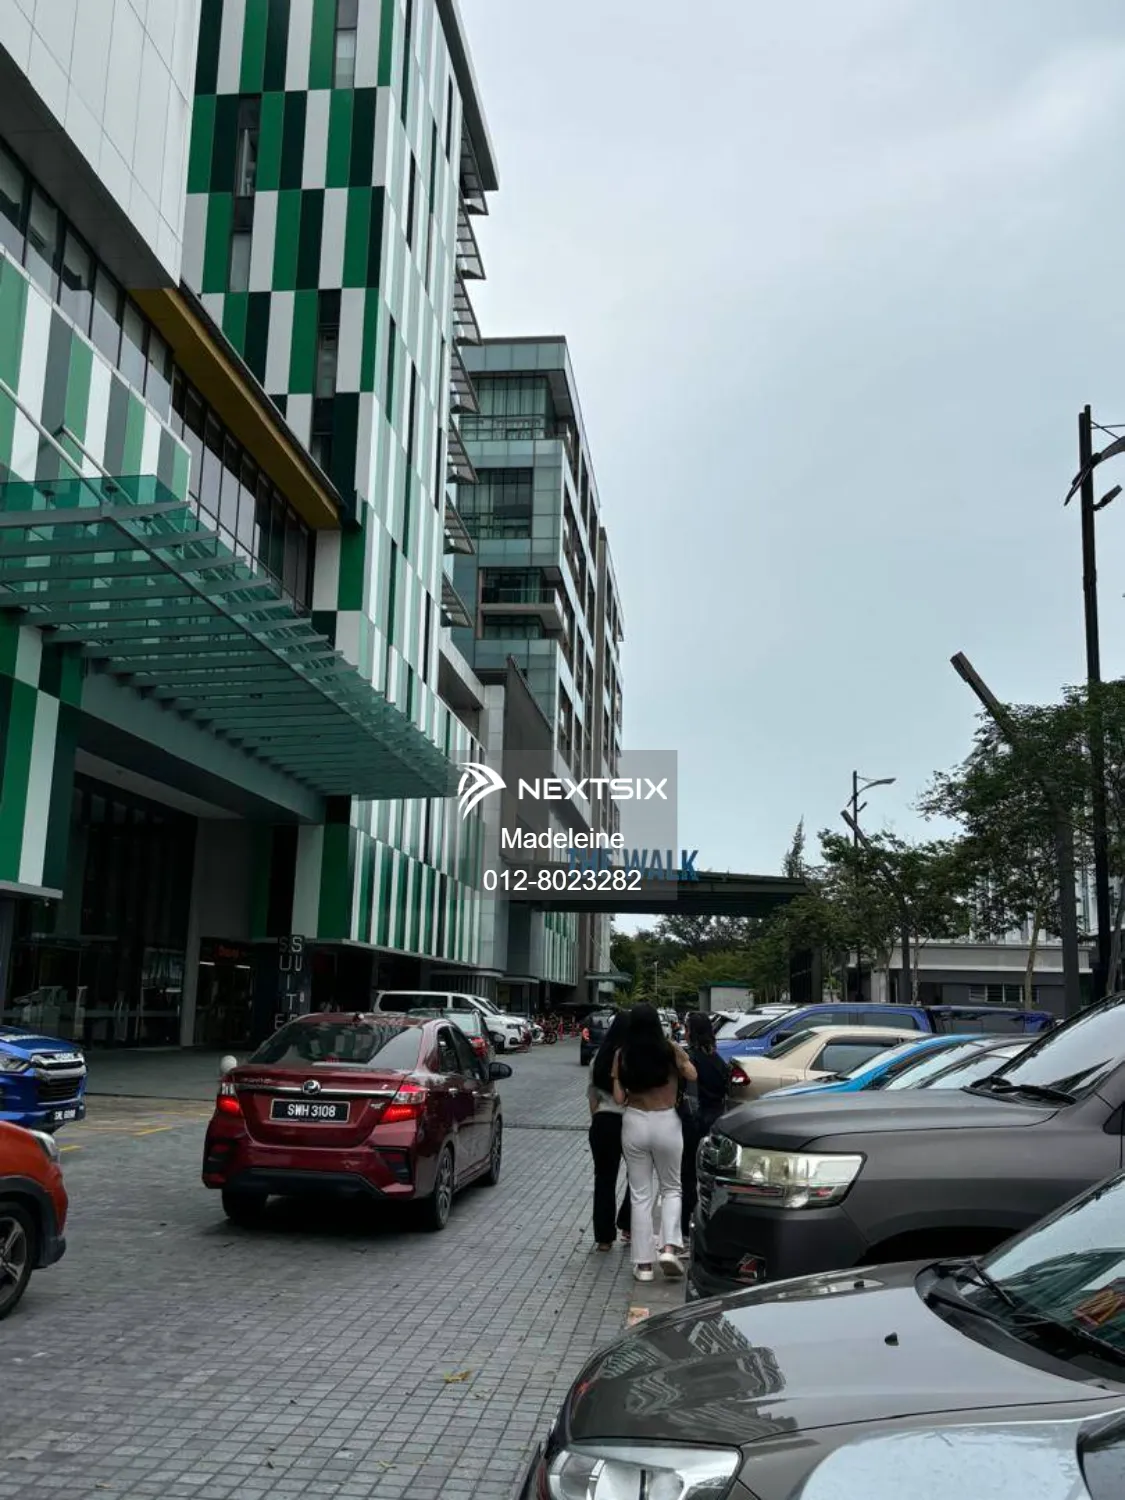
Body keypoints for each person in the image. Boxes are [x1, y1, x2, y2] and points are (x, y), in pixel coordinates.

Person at [612, 1002, 697, 1282]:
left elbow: (618, 1099)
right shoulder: (669, 1049)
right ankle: (669, 1248)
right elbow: (692, 1075)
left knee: (640, 1196)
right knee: (672, 1188)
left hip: (635, 1122)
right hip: (666, 1121)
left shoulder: (622, 1054)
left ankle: (644, 1266)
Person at [679, 1012, 731, 1243]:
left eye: (687, 1028)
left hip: (693, 1123)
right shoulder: (719, 1062)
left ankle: (684, 1226)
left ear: (693, 1032)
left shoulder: (690, 1061)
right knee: (712, 1177)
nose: (684, 1031)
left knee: (688, 1176)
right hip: (715, 1121)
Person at [587, 1010, 632, 1251]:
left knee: (604, 1179)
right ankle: (627, 1224)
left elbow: (592, 1097)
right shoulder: (631, 1059)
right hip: (629, 1121)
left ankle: (604, 1239)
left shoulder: (599, 1058)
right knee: (636, 1176)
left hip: (603, 1121)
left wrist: (596, 1120)